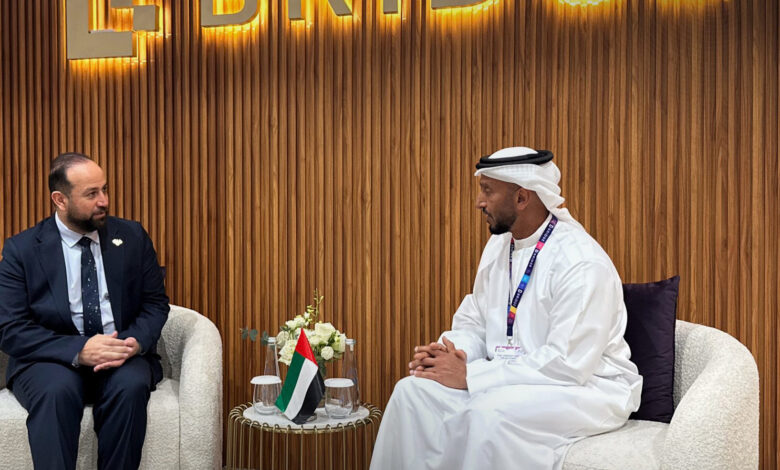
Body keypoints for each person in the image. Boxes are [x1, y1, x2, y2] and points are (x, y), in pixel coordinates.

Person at [370, 147, 642, 470]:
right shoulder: (501, 245)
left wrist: (471, 375)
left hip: (587, 389)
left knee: (488, 413)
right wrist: (450, 355)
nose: (479, 202)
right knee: (412, 392)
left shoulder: (580, 261)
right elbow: (475, 320)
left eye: (487, 191)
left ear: (522, 198)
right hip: (510, 376)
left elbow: (567, 364)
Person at [0, 152, 169, 470]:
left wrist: (133, 343)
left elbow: (155, 304)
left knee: (130, 386)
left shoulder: (131, 236)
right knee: (56, 391)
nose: (104, 201)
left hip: (120, 353)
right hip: (51, 359)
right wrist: (79, 349)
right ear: (60, 200)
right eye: (91, 194)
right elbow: (10, 328)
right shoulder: (22, 250)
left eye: (104, 189)